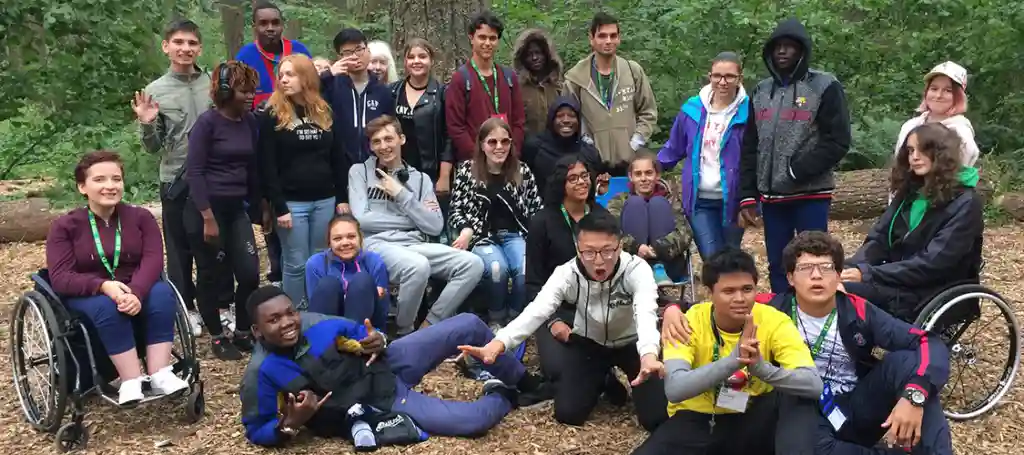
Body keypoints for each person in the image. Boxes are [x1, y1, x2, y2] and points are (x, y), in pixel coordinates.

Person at [240, 286, 547, 447]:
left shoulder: (316, 324)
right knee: (473, 421)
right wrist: (291, 424)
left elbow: (365, 332)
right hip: (376, 400)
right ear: (256, 331)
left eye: (289, 313)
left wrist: (378, 341)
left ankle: (524, 381)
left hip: (386, 362)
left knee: (467, 323)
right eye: (273, 320)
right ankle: (505, 396)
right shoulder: (262, 373)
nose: (287, 323)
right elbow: (257, 429)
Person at [462, 210, 668, 431]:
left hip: (632, 343)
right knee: (568, 413)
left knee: (656, 418)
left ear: (619, 246)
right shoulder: (567, 273)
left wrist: (648, 354)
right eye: (589, 252)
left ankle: (627, 375)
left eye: (607, 251)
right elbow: (537, 310)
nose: (598, 260)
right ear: (578, 248)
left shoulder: (636, 269)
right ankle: (604, 379)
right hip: (590, 344)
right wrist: (499, 343)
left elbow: (645, 311)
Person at [767, 231, 953, 455]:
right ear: (790, 278)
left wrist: (915, 395)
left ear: (838, 275)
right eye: (806, 269)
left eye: (826, 268)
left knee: (907, 364)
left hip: (856, 406)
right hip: (802, 411)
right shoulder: (770, 311)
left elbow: (925, 341)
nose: (816, 276)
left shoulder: (857, 309)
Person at [633, 248, 821, 455]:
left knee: (794, 398)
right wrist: (734, 361)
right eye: (729, 291)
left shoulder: (774, 320)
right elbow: (675, 389)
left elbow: (813, 384)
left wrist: (762, 369)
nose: (740, 298)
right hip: (699, 418)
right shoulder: (689, 321)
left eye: (747, 289)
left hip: (753, 416)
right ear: (709, 293)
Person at [46, 151, 190, 405]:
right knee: (107, 306)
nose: (110, 186)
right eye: (100, 180)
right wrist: (103, 285)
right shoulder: (65, 226)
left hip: (137, 285)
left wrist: (135, 291)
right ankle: (131, 379)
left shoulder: (141, 218)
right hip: (89, 293)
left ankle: (159, 373)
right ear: (82, 187)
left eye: (116, 179)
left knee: (162, 293)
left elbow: (153, 260)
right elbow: (60, 277)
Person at [737, 17, 852, 293]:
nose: (782, 52)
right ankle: (782, 317)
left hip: (810, 194)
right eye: (777, 46)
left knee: (815, 261)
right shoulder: (761, 91)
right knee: (778, 263)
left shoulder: (824, 86)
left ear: (802, 51)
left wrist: (796, 170)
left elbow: (838, 141)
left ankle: (818, 314)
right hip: (773, 198)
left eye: (789, 46)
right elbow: (751, 145)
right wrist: (748, 193)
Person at [349, 116, 483, 336]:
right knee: (418, 266)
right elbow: (362, 219)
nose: (383, 146)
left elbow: (435, 225)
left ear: (401, 139)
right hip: (376, 244)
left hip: (413, 245)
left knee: (473, 264)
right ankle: (404, 331)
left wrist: (402, 194)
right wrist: (413, 218)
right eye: (376, 141)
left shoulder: (420, 180)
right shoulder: (359, 172)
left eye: (388, 139)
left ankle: (429, 326)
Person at [843, 123, 983, 321]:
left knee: (841, 291)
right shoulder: (910, 192)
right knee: (823, 278)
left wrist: (868, 274)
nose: (914, 157)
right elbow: (879, 238)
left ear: (942, 153)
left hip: (931, 290)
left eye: (923, 149)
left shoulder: (966, 203)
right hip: (896, 278)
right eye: (910, 150)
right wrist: (853, 267)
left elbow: (933, 263)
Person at [523, 156, 623, 401]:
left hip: (596, 305)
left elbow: (617, 268)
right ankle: (600, 376)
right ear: (561, 184)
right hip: (557, 307)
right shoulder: (542, 222)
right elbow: (533, 282)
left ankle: (599, 372)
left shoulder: (603, 218)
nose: (581, 182)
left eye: (585, 176)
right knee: (557, 370)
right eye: (573, 178)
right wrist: (553, 321)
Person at [133, 19, 209, 335]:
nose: (185, 49)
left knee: (212, 244)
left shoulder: (213, 82)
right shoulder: (155, 91)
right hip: (175, 179)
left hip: (212, 178)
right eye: (178, 42)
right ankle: (185, 307)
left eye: (191, 43)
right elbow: (152, 147)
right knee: (179, 249)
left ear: (199, 48)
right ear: (166, 46)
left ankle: (215, 304)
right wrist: (148, 123)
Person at [185, 61, 262, 360]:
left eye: (252, 90)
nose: (250, 96)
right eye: (244, 90)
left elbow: (253, 168)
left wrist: (261, 205)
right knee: (212, 274)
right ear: (226, 90)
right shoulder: (207, 124)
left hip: (235, 209)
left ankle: (243, 330)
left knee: (249, 273)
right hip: (206, 211)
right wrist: (207, 216)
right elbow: (195, 172)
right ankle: (217, 336)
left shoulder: (250, 122)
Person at [258, 54, 348, 306]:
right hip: (291, 203)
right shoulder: (272, 113)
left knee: (321, 257)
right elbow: (267, 164)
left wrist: (341, 197)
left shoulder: (323, 110)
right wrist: (279, 206)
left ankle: (320, 308)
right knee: (296, 262)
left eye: (290, 74)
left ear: (306, 77)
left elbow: (337, 157)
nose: (283, 80)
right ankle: (294, 314)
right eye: (281, 75)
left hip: (324, 199)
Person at [449, 118, 542, 329]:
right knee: (497, 269)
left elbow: (536, 210)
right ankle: (496, 318)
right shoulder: (466, 170)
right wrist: (466, 230)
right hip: (482, 237)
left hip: (515, 234)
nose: (499, 147)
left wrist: (536, 240)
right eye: (492, 142)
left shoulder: (522, 171)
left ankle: (516, 318)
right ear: (482, 144)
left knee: (525, 270)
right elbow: (455, 210)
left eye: (505, 142)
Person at [658, 51, 750, 260]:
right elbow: (674, 147)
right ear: (710, 77)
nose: (723, 82)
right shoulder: (692, 109)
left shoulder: (749, 113)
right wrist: (652, 168)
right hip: (699, 200)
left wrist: (752, 202)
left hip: (733, 201)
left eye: (729, 76)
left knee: (731, 257)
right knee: (711, 257)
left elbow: (755, 160)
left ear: (739, 79)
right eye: (717, 76)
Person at [563, 12, 657, 176]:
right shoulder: (576, 78)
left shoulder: (632, 71)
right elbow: (567, 119)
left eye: (613, 36)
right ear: (591, 39)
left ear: (619, 38)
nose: (608, 41)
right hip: (592, 165)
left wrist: (635, 142)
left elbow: (648, 112)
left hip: (631, 164)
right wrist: (587, 145)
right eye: (602, 36)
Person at [445, 10, 525, 163]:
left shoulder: (509, 77)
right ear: (471, 38)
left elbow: (519, 121)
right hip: (475, 163)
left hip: (507, 160)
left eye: (492, 38)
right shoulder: (460, 79)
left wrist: (510, 151)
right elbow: (456, 127)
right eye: (482, 37)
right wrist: (480, 156)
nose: (487, 43)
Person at [606, 152, 692, 286]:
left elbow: (684, 233)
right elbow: (610, 232)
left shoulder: (671, 200)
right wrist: (637, 247)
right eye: (638, 174)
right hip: (630, 265)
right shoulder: (618, 201)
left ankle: (658, 268)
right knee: (635, 203)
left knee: (658, 203)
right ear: (630, 177)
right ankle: (643, 269)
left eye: (648, 173)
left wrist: (658, 249)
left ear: (657, 175)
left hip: (668, 265)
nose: (644, 178)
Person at [390, 38, 454, 218]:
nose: (416, 61)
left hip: (431, 173)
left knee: (432, 221)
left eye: (422, 56)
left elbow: (449, 136)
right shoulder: (393, 92)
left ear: (431, 60)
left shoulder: (443, 93)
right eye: (411, 57)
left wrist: (444, 176)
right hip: (399, 172)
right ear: (405, 61)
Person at [324, 28, 397, 166]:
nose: (355, 56)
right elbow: (307, 96)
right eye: (347, 53)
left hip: (375, 165)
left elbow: (391, 128)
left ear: (368, 51)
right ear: (340, 57)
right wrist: (328, 75)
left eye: (359, 50)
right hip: (337, 165)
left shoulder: (383, 91)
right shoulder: (331, 86)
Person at [305, 214, 390, 329]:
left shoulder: (373, 261)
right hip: (329, 325)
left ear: (360, 238)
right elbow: (316, 307)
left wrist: (376, 294)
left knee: (362, 280)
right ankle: (325, 343)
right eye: (337, 238)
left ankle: (353, 341)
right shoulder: (315, 264)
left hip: (365, 326)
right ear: (329, 243)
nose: (345, 243)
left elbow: (382, 309)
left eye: (351, 236)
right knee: (328, 284)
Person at [894, 61, 979, 168]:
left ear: (958, 96)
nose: (938, 95)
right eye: (934, 89)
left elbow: (959, 171)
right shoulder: (910, 126)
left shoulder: (960, 132)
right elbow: (899, 165)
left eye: (948, 90)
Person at [235, 1, 312, 109]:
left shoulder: (299, 50)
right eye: (263, 23)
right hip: (259, 121)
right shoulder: (245, 56)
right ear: (254, 26)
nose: (270, 28)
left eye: (275, 23)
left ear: (282, 25)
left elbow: (313, 86)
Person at [521, 96, 604, 195]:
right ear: (551, 120)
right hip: (543, 208)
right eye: (560, 116)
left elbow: (596, 190)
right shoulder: (534, 147)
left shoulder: (589, 152)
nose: (566, 120)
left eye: (572, 116)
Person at [512, 28, 563, 139]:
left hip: (556, 149)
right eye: (530, 54)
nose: (535, 58)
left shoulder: (558, 86)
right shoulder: (517, 88)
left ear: (546, 55)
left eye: (538, 53)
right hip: (527, 149)